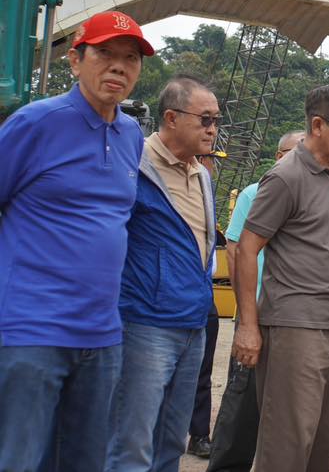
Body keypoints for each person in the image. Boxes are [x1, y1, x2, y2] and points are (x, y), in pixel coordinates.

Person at [0, 11, 152, 471]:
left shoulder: (130, 135)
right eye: (104, 54)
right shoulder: (36, 123)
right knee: (18, 459)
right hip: (32, 330)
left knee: (85, 461)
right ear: (75, 59)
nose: (118, 67)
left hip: (102, 335)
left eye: (130, 58)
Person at [231, 84, 329, 471]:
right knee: (287, 442)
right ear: (319, 124)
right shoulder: (285, 177)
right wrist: (248, 326)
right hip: (295, 324)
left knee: (322, 440)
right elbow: (246, 248)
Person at [105, 74, 220, 471]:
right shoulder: (133, 165)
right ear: (171, 117)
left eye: (216, 120)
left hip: (192, 325)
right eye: (204, 119)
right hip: (144, 325)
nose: (213, 129)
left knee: (171, 441)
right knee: (131, 442)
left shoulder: (202, 175)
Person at [205, 131, 302, 471]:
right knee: (243, 397)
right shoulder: (254, 193)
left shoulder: (315, 190)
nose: (300, 157)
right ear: (278, 156)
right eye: (293, 151)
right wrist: (246, 312)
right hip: (258, 307)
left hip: (295, 314)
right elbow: (234, 248)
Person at [189, 154, 226, 459]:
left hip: (205, 291)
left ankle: (199, 434)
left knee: (203, 368)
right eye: (212, 160)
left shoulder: (207, 186)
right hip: (179, 289)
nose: (214, 166)